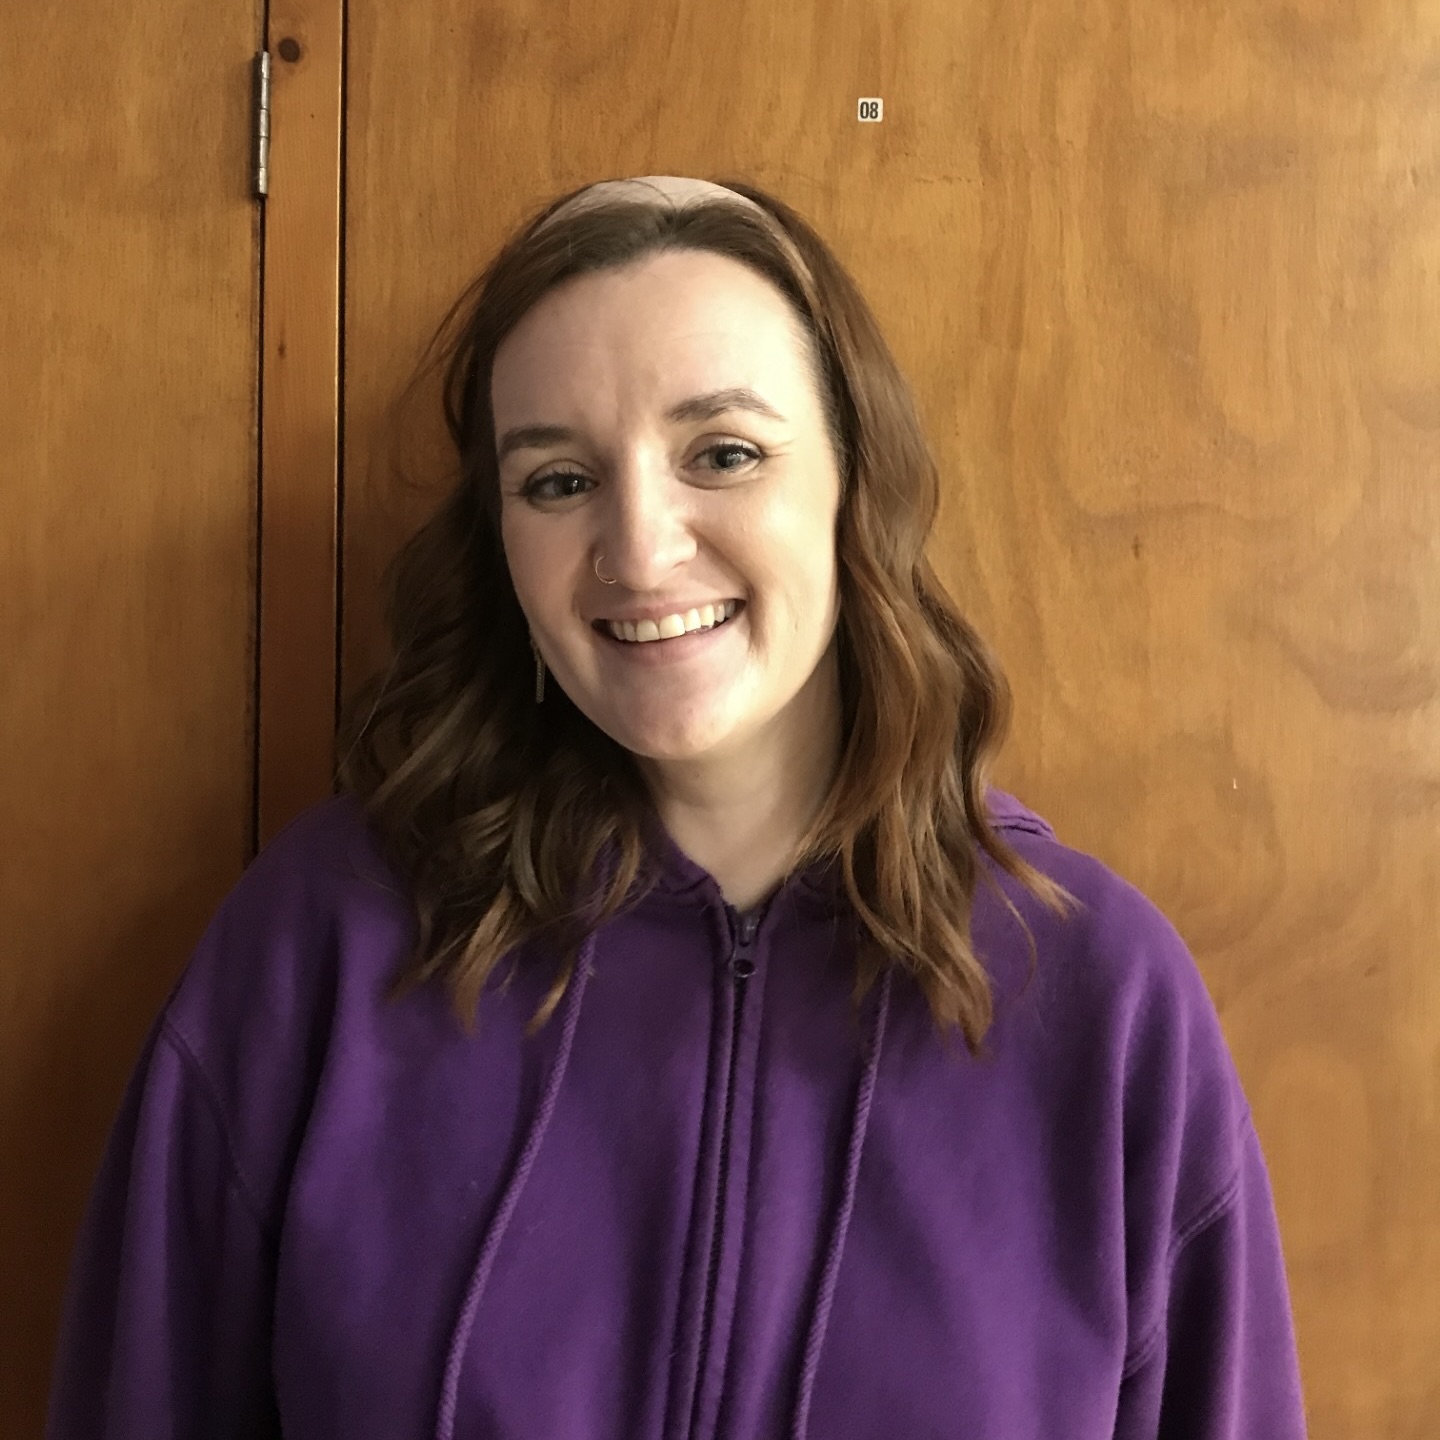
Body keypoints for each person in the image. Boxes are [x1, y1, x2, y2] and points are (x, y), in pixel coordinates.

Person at [47, 176, 1309, 1438]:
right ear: (501, 542)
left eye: (724, 454)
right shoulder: (321, 945)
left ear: (855, 481)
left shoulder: (1100, 995)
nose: (641, 551)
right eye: (558, 481)